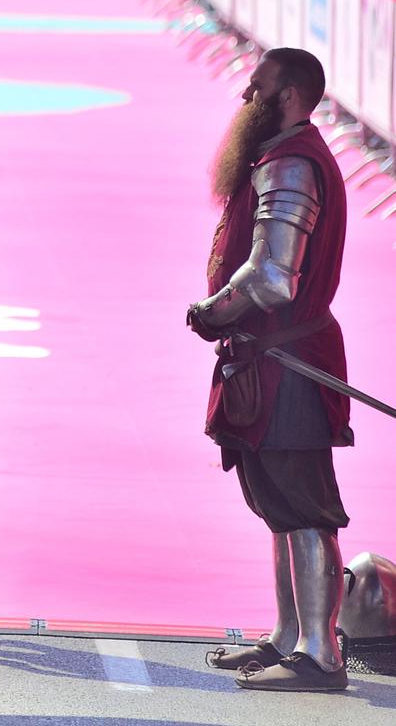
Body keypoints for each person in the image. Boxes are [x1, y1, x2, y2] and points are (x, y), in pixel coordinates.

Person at [190, 48, 352, 693]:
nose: (245, 97)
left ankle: (320, 655)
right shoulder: (280, 156)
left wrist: (211, 311)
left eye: (256, 88)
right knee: (278, 503)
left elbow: (273, 277)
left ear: (288, 96)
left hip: (290, 358)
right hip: (269, 357)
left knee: (305, 504)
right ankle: (290, 637)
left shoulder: (290, 162)